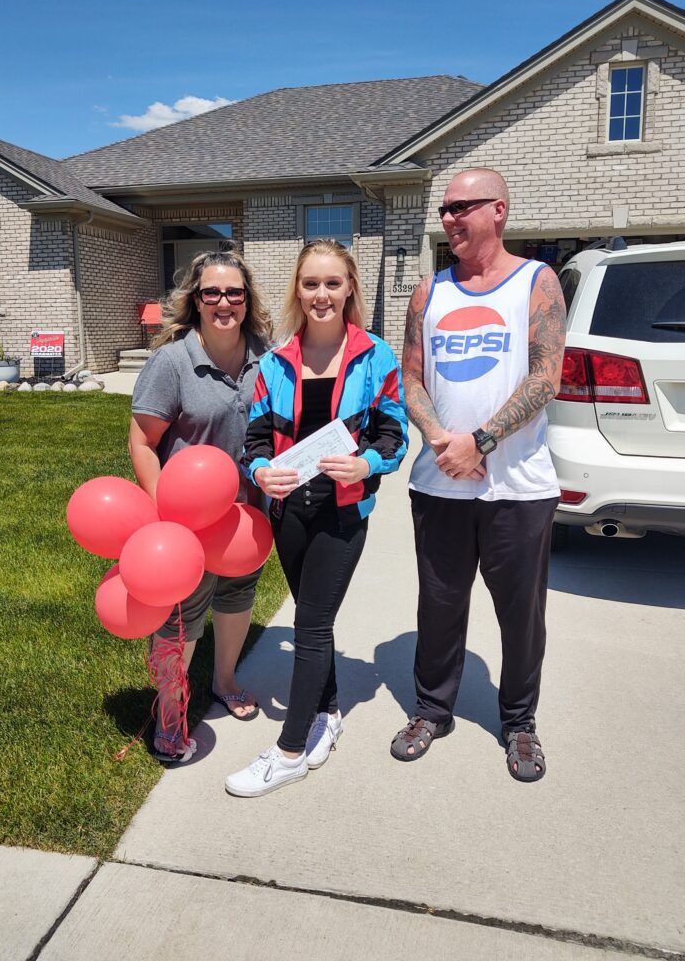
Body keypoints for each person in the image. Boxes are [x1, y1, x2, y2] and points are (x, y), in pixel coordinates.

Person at [392, 167, 566, 782]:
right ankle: (431, 709)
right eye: (444, 208)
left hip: (518, 487)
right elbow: (410, 375)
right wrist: (442, 440)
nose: (450, 218)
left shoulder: (535, 283)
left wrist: (483, 441)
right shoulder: (428, 292)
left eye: (463, 206)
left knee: (520, 615)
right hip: (439, 482)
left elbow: (547, 376)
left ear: (499, 210)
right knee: (439, 605)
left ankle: (519, 723)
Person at [226, 238, 408, 797]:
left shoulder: (376, 356)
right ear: (297, 291)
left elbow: (395, 434)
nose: (321, 294)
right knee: (312, 615)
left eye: (332, 283)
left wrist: (366, 463)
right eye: (311, 284)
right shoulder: (275, 363)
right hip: (290, 512)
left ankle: (290, 749)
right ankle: (328, 712)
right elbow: (254, 440)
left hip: (343, 513)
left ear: (350, 287)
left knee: (310, 625)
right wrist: (258, 473)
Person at [129, 250, 273, 763]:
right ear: (195, 299)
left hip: (246, 516)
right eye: (211, 292)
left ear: (247, 298)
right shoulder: (172, 360)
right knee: (179, 618)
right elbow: (143, 443)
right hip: (186, 520)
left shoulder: (268, 356)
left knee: (237, 596)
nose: (223, 302)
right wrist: (165, 509)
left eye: (234, 292)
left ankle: (225, 680)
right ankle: (169, 714)